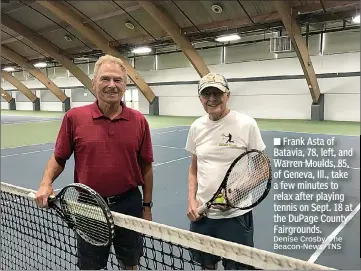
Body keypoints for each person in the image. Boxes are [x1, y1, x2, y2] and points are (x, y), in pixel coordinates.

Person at [34, 54, 154, 270]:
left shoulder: (139, 121)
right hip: (89, 206)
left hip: (129, 205)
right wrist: (45, 183)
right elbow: (59, 157)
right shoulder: (74, 117)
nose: (111, 85)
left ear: (125, 85)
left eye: (117, 80)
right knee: (90, 266)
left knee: (130, 263)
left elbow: (146, 165)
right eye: (105, 79)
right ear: (94, 83)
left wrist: (146, 206)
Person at [185, 73, 266, 270]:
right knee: (206, 266)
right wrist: (191, 201)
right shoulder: (196, 127)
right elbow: (194, 169)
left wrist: (237, 192)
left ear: (227, 95)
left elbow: (262, 170)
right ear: (200, 98)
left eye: (217, 93)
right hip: (204, 217)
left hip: (236, 218)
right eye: (206, 94)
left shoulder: (246, 124)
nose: (211, 99)